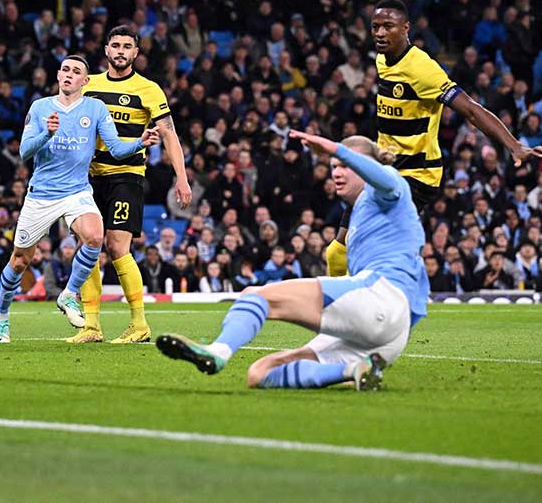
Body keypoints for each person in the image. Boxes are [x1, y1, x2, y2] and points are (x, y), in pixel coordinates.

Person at [157, 131, 428, 391]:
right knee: (260, 373)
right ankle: (355, 370)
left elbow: (385, 178)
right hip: (387, 336)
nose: (337, 172)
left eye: (345, 165)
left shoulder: (388, 187)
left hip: (379, 300)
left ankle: (217, 352)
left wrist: (337, 149)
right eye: (334, 166)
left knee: (255, 295)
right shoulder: (363, 215)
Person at [326, 0, 542, 277]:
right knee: (336, 253)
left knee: (373, 251)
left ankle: (391, 306)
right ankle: (340, 314)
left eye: (388, 27)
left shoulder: (423, 70)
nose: (380, 33)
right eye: (376, 27)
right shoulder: (382, 59)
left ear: (405, 28)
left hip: (416, 176)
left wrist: (513, 145)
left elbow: (471, 110)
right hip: (384, 170)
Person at [0, 55, 159, 343]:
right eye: (65, 69)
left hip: (77, 191)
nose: (69, 74)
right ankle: (2, 315)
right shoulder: (41, 107)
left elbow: (117, 149)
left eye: (76, 71)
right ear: (58, 76)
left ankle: (69, 295)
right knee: (20, 260)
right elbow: (24, 152)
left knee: (95, 236)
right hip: (42, 194)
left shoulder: (95, 108)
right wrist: (47, 132)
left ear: (85, 81)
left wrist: (139, 143)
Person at [69, 25, 191, 344]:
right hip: (89, 178)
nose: (121, 50)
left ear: (135, 53)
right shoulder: (88, 84)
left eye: (127, 46)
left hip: (127, 175)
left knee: (117, 245)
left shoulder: (148, 89)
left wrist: (182, 177)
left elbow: (169, 134)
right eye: (115, 45)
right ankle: (91, 326)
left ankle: (139, 324)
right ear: (106, 50)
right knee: (89, 246)